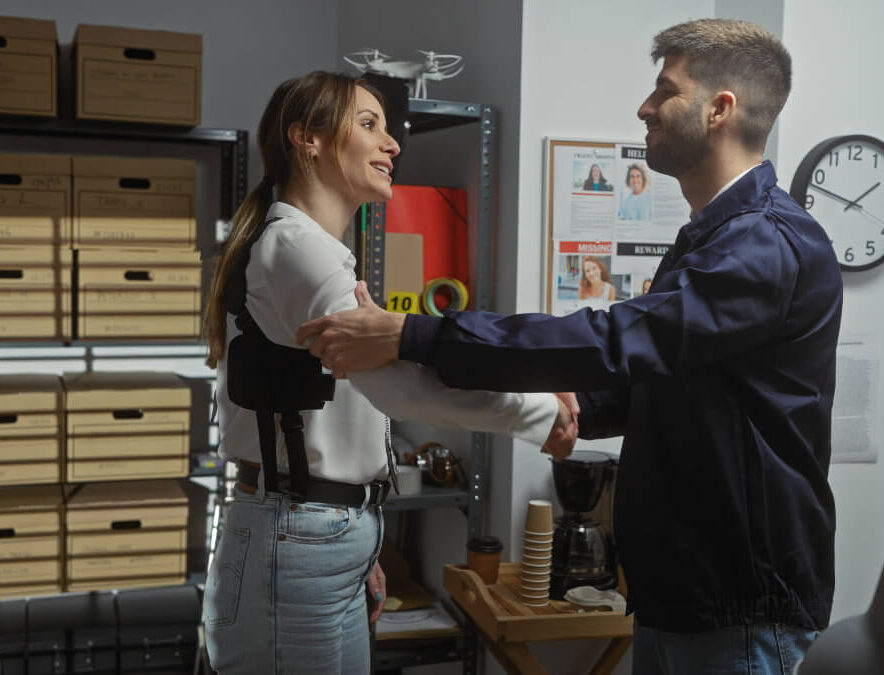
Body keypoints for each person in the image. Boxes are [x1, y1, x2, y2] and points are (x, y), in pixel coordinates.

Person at [298, 18, 843, 675]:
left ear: (719, 109)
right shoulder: (713, 237)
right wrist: (568, 408)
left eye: (663, 91)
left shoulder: (766, 244)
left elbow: (618, 339)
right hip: (682, 596)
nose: (644, 107)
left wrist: (415, 334)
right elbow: (652, 376)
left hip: (739, 609)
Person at [200, 71, 576, 674]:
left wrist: (361, 543)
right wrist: (539, 413)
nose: (393, 144)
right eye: (368, 126)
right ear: (308, 140)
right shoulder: (300, 251)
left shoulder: (315, 251)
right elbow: (399, 388)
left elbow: (353, 398)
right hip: (297, 538)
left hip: (320, 535)